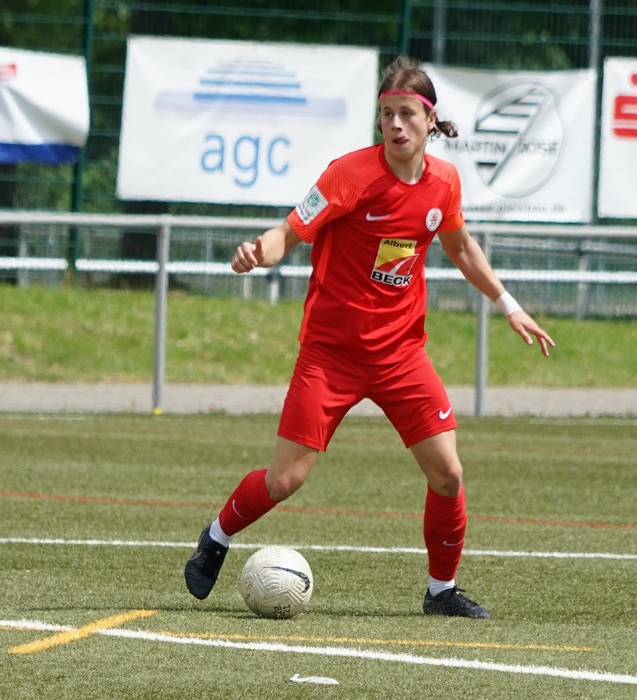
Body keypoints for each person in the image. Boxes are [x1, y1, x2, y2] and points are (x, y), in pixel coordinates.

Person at [185, 56, 554, 619]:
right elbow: (288, 231)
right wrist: (259, 254)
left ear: (430, 120)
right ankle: (216, 537)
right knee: (285, 479)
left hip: (401, 355)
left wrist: (509, 304)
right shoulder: (349, 175)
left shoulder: (444, 183)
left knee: (448, 474)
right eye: (386, 114)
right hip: (331, 355)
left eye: (407, 113)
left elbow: (459, 247)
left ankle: (441, 592)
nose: (395, 125)